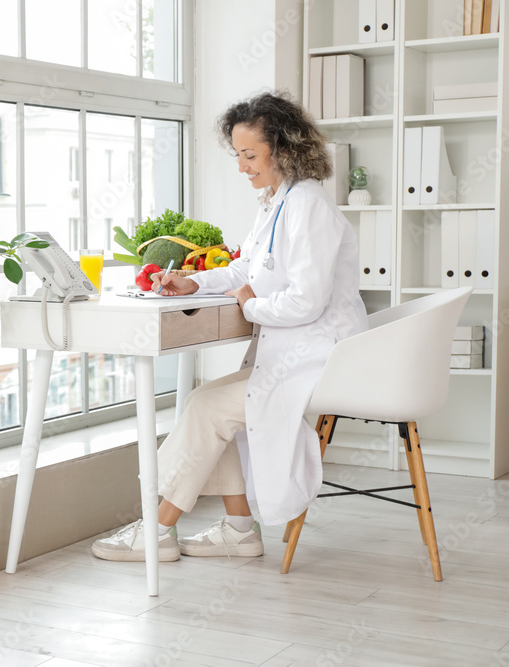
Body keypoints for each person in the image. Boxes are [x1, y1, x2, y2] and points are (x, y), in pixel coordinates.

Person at [92, 91, 369, 562]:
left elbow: (305, 300)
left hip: (322, 357)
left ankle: (157, 529)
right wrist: (191, 282)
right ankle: (239, 529)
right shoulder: (277, 202)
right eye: (238, 154)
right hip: (294, 353)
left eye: (250, 155)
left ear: (282, 150)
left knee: (206, 408)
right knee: (212, 407)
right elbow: (246, 269)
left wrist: (251, 306)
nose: (242, 166)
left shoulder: (308, 208)